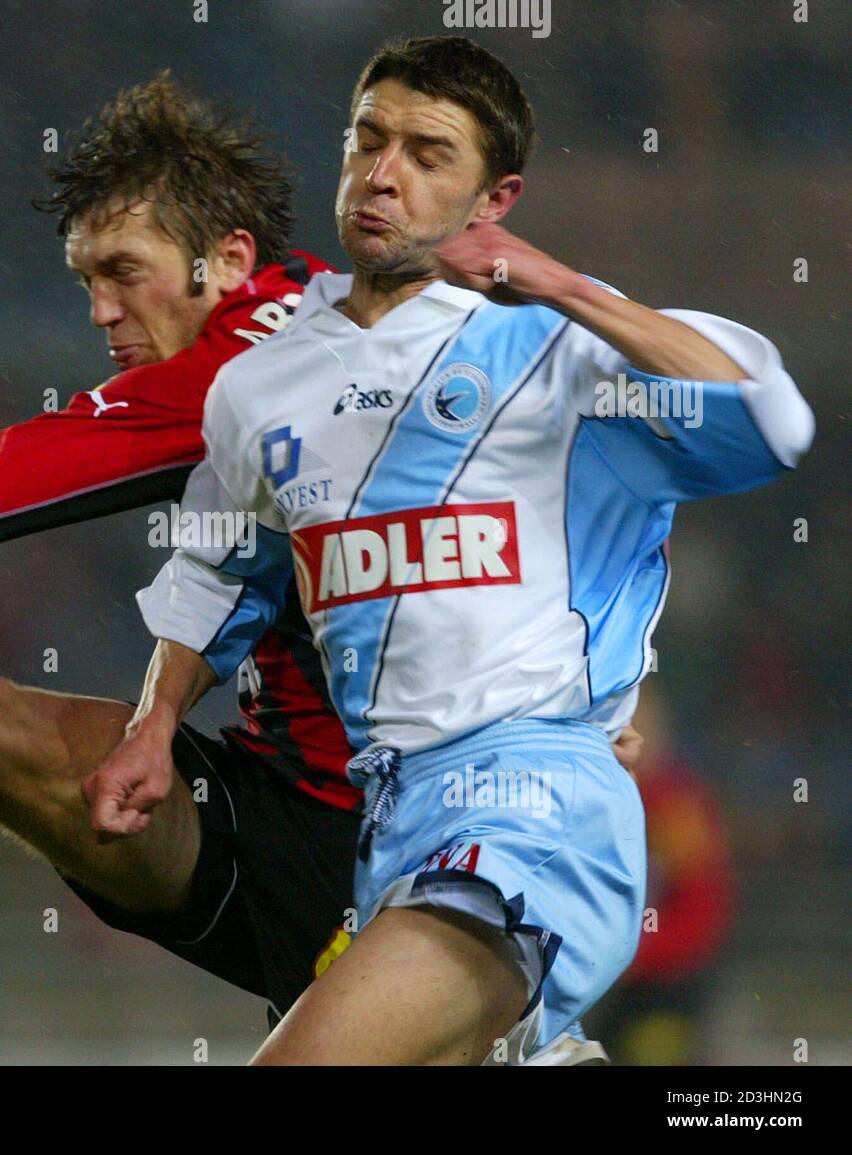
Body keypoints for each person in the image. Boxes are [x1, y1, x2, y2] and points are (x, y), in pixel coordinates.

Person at [0, 72, 631, 1056]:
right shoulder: (332, 333)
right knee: (7, 734)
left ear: (226, 262)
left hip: (399, 842)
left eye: (121, 274)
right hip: (279, 804)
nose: (99, 311)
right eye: (85, 280)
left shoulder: (260, 360)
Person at [85, 36, 814, 1065]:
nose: (383, 173)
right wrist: (154, 721)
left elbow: (770, 420)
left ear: (493, 198)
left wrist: (560, 283)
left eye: (427, 154)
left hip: (538, 805)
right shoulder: (261, 385)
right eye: (368, 140)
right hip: (392, 820)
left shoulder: (558, 352)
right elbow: (223, 569)